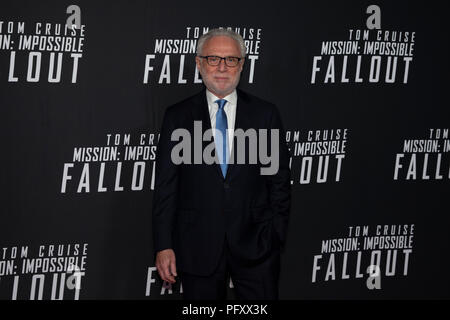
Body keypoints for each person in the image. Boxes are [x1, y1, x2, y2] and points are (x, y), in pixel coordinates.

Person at [152, 28, 291, 300]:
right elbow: (166, 188)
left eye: (231, 60)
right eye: (213, 58)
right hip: (196, 246)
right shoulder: (177, 117)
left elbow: (280, 182)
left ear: (242, 65)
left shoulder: (265, 115)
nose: (222, 67)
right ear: (199, 63)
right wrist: (164, 245)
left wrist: (274, 236)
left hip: (257, 247)